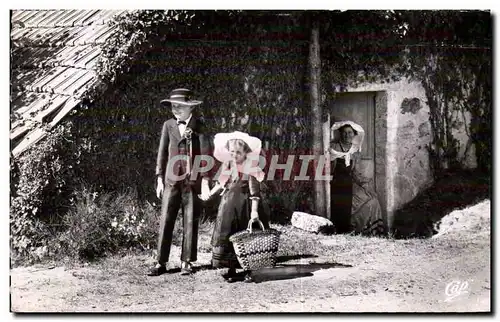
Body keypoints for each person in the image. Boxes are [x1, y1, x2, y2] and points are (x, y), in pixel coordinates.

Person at [148, 88, 212, 276]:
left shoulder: (199, 126)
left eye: (179, 106)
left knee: (190, 219)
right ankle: (161, 261)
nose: (176, 110)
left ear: (190, 107)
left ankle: (187, 262)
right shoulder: (168, 125)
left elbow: (205, 156)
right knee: (166, 218)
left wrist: (206, 181)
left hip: (192, 181)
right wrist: (159, 178)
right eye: (173, 106)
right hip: (171, 180)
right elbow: (162, 153)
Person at [200, 131, 269, 283]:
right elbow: (221, 182)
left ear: (246, 153)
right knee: (228, 234)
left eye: (238, 152)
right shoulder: (228, 164)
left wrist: (254, 211)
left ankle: (248, 270)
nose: (235, 155)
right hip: (229, 205)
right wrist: (210, 194)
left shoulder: (250, 167)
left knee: (246, 237)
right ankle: (231, 267)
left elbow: (254, 192)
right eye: (232, 152)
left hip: (245, 206)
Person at [326, 121, 385, 236]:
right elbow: (327, 169)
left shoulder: (355, 151)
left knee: (373, 200)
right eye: (344, 133)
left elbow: (355, 173)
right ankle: (341, 230)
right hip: (335, 184)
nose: (347, 135)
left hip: (349, 183)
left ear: (354, 134)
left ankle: (364, 231)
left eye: (350, 132)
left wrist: (365, 184)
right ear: (340, 134)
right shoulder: (333, 147)